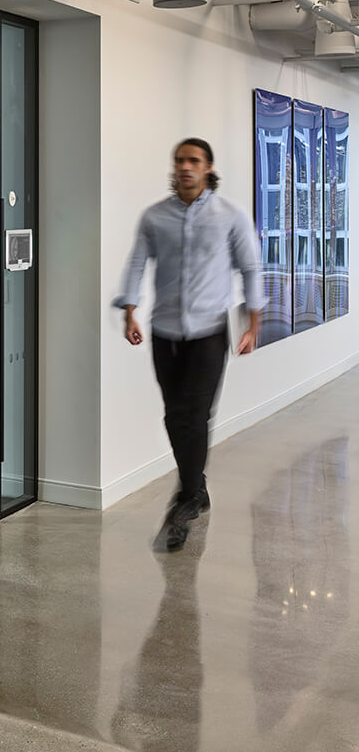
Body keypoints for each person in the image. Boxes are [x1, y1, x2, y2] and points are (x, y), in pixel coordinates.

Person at [113, 138, 264, 551]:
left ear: (208, 166)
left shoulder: (230, 216)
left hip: (210, 333)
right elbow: (137, 263)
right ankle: (197, 485)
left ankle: (184, 504)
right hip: (164, 333)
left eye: (193, 160)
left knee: (194, 415)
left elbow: (251, 267)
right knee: (174, 416)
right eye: (179, 160)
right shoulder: (155, 217)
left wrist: (254, 322)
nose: (185, 166)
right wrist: (130, 310)